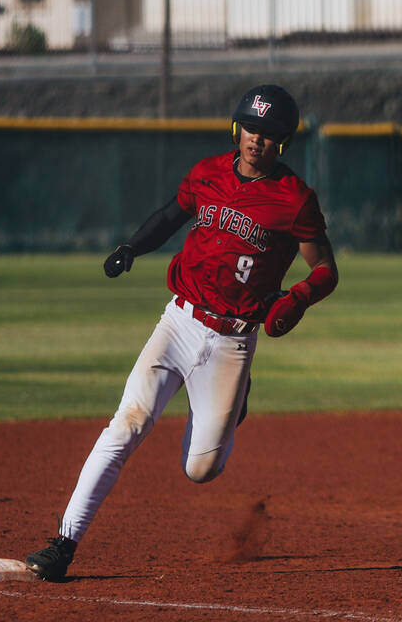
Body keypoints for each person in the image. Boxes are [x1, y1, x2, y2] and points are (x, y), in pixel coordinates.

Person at [24, 84, 339, 580]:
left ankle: (233, 402)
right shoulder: (209, 172)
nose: (258, 139)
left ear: (284, 142)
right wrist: (133, 246)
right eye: (252, 128)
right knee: (125, 426)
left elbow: (325, 269)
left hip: (233, 342)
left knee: (201, 470)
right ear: (238, 129)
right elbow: (173, 213)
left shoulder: (294, 199)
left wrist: (296, 299)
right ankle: (63, 543)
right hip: (179, 321)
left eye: (270, 133)